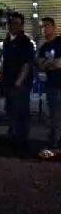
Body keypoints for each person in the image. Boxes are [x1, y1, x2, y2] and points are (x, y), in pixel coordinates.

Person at [1, 12, 35, 148]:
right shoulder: (7, 41)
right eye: (10, 23)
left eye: (16, 23)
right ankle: (13, 134)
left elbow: (27, 64)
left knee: (21, 110)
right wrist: (1, 77)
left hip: (20, 82)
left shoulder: (25, 42)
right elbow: (4, 60)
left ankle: (21, 138)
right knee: (10, 109)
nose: (12, 25)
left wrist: (19, 81)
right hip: (8, 81)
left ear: (21, 26)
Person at [38, 17, 61, 159]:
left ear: (54, 27)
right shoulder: (43, 47)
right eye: (42, 26)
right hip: (52, 86)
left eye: (47, 25)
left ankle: (54, 146)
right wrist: (52, 64)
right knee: (55, 118)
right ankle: (54, 146)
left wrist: (50, 64)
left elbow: (58, 63)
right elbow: (40, 65)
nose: (44, 28)